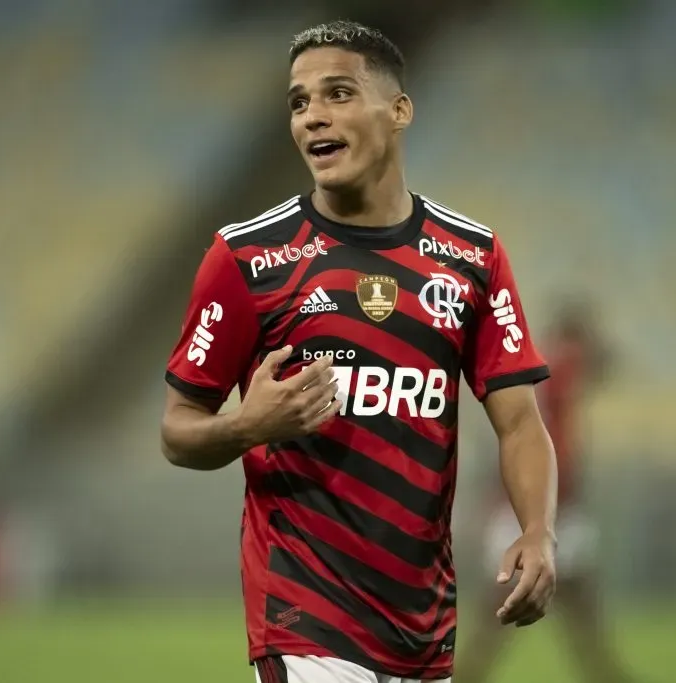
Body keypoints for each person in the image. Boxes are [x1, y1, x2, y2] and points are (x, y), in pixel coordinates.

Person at [160, 20, 558, 683]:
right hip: (304, 619)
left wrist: (539, 529)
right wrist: (246, 426)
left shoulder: (472, 258)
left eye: (337, 93)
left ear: (398, 110)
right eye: (298, 101)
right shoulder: (247, 257)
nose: (313, 115)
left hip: (424, 633)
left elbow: (520, 421)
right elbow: (178, 429)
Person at [457, 301, 634, 683]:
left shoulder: (539, 368)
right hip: (532, 510)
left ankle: (610, 676)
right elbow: (608, 362)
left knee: (578, 610)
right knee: (504, 611)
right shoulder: (558, 363)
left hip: (555, 510)